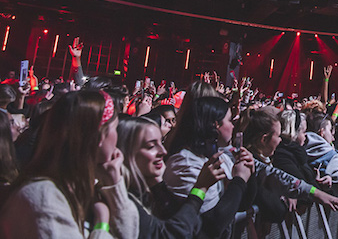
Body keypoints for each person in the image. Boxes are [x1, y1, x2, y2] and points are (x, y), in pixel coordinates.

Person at [0, 90, 138, 238]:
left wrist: (115, 184)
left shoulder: (88, 183)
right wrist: (101, 225)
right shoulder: (43, 196)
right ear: (98, 138)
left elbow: (129, 234)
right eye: (115, 129)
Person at [117, 116, 227, 239]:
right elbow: (173, 234)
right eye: (151, 146)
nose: (163, 151)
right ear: (126, 152)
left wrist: (159, 186)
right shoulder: (122, 202)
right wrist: (200, 189)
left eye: (161, 142)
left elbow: (194, 228)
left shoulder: (151, 190)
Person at [163, 96, 255, 239]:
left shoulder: (220, 156)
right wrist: (239, 180)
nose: (232, 126)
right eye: (229, 120)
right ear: (216, 125)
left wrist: (249, 173)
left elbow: (242, 204)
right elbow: (213, 225)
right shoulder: (184, 163)